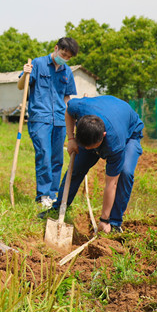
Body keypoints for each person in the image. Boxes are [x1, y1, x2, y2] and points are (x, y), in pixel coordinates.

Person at [59, 95, 144, 233]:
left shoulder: (114, 143)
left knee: (125, 173)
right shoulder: (79, 108)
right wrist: (71, 139)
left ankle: (114, 223)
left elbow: (112, 184)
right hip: (101, 116)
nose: (87, 149)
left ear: (103, 136)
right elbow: (68, 113)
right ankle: (58, 207)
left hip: (129, 133)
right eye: (84, 146)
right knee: (77, 167)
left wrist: (104, 220)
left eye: (91, 147)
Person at [18, 37, 79, 217]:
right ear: (56, 48)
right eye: (63, 54)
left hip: (60, 119)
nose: (64, 58)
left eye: (68, 57)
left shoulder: (67, 72)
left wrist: (73, 117)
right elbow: (21, 86)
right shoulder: (37, 64)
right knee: (44, 153)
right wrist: (25, 74)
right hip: (40, 118)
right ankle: (43, 194)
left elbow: (67, 98)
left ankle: (53, 194)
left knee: (57, 158)